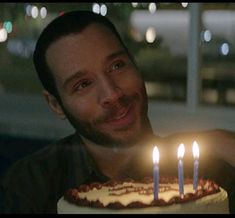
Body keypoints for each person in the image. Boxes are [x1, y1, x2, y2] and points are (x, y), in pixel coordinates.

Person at [0, 10, 235, 214]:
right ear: (55, 105)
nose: (112, 94)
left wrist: (220, 142)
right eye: (83, 84)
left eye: (117, 66)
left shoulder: (207, 173)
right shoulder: (30, 186)